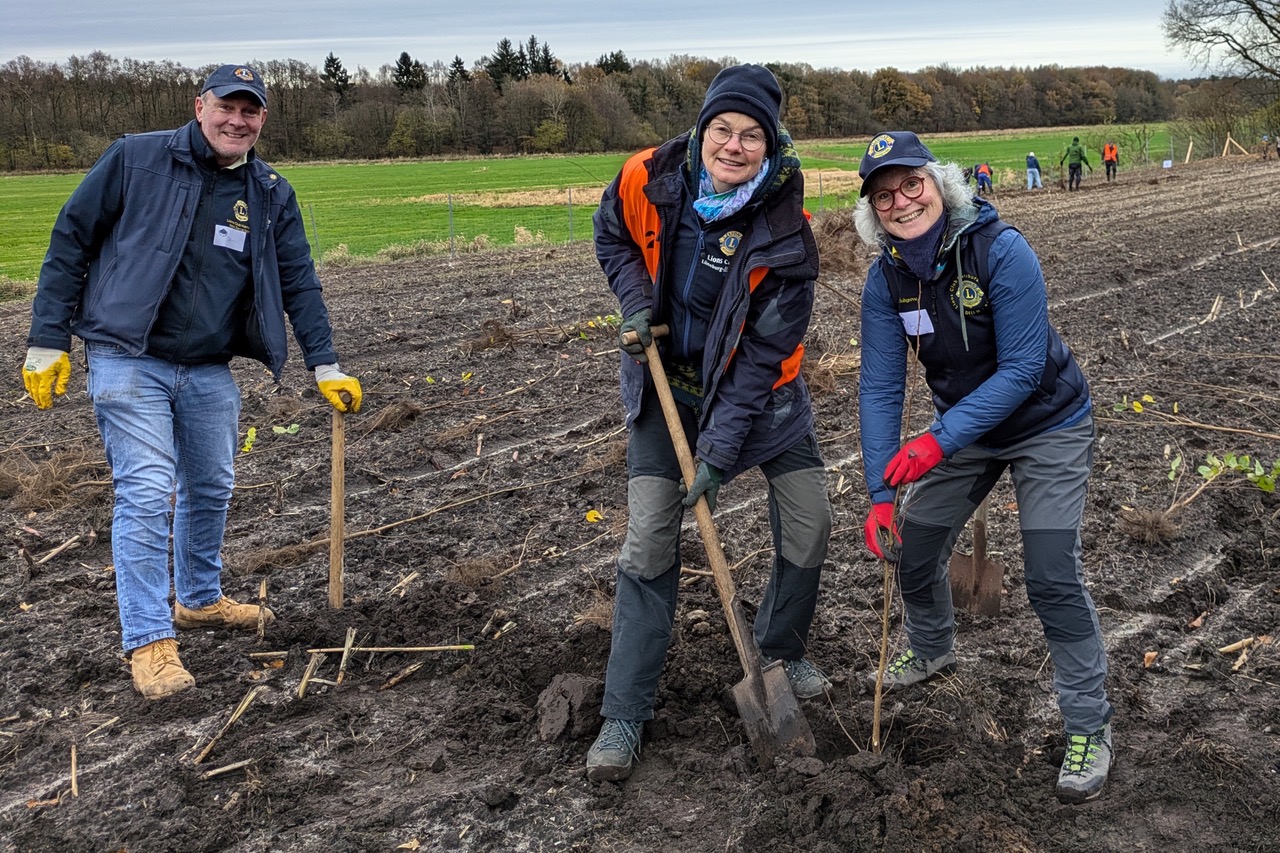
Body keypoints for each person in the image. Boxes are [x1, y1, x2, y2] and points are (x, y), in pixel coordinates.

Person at [22, 65, 362, 700]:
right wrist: (48, 339)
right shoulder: (137, 159)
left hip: (207, 364)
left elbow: (299, 280)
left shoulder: (268, 190)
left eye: (250, 111)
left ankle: (199, 601)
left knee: (211, 483)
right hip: (128, 355)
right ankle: (149, 640)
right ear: (199, 106)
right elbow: (71, 239)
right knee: (148, 490)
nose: (237, 121)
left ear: (263, 119)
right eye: (226, 107)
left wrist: (326, 363)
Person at [587, 63, 832, 782]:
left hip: (763, 400)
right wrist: (636, 305)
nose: (734, 145)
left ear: (771, 141)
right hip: (669, 390)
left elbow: (762, 358)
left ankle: (780, 651)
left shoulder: (788, 229)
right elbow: (613, 239)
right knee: (650, 538)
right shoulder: (648, 175)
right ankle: (624, 712)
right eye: (723, 128)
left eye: (751, 134)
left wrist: (719, 456)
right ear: (702, 128)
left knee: (810, 519)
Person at [852, 130, 1113, 804]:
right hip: (967, 433)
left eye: (912, 182)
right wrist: (881, 490)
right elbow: (881, 385)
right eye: (885, 194)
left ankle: (1090, 724)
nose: (902, 199)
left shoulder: (1002, 250)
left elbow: (1025, 369)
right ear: (873, 211)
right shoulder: (886, 280)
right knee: (913, 546)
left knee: (1053, 575)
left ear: (938, 181)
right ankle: (934, 647)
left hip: (1046, 424)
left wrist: (936, 442)